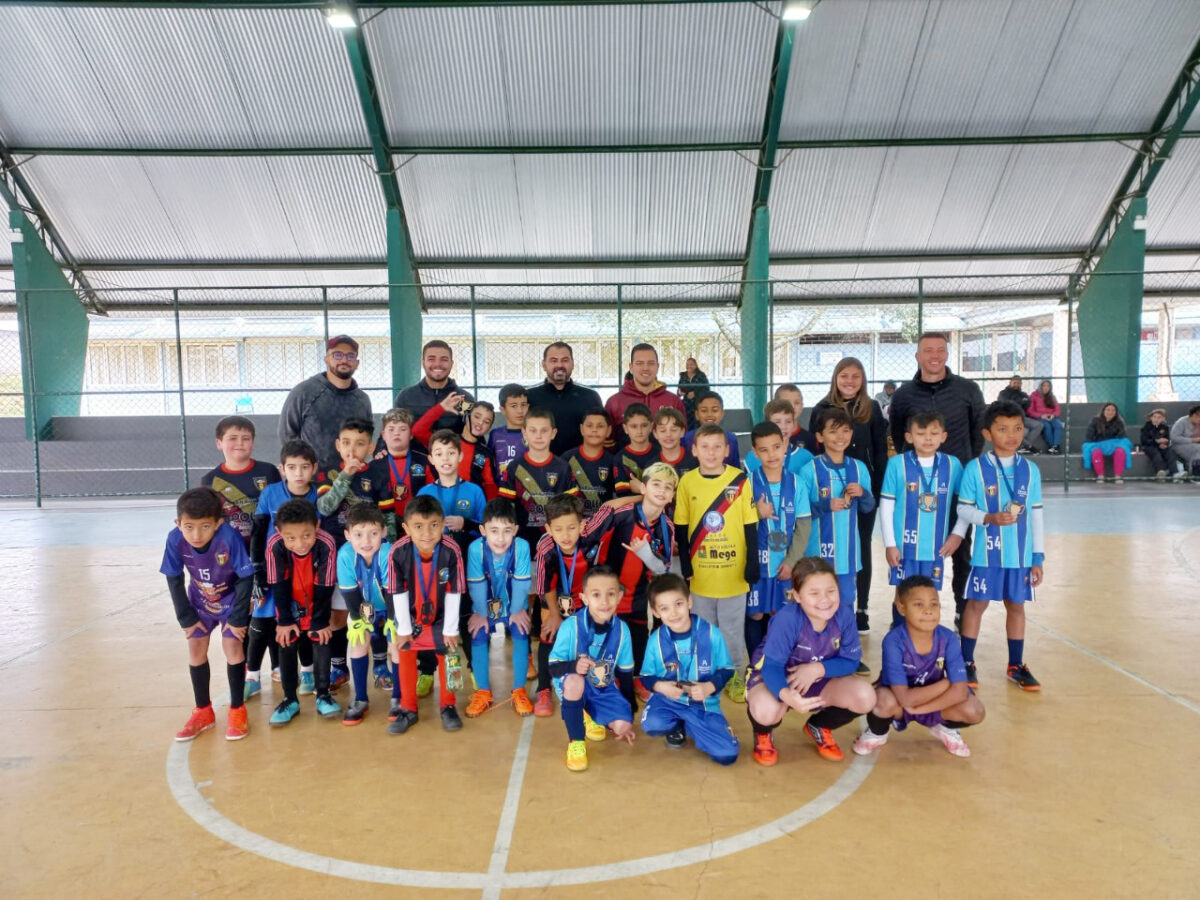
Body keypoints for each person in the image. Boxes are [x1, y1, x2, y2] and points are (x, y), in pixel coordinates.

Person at [888, 333, 986, 627]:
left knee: (961, 550)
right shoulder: (904, 394)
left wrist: (960, 468)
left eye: (940, 350)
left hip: (957, 485)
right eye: (927, 350)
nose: (934, 355)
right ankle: (906, 614)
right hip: (917, 489)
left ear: (947, 354)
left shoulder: (968, 389)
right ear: (917, 355)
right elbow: (897, 434)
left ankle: (960, 611)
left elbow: (977, 432)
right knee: (913, 553)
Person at [744, 558, 875, 765]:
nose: (825, 599)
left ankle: (819, 727)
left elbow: (851, 661)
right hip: (778, 678)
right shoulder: (787, 619)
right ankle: (763, 734)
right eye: (814, 593)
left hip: (819, 678)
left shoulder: (844, 615)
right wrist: (787, 695)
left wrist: (817, 669)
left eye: (831, 591)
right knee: (766, 711)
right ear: (797, 595)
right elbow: (772, 667)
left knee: (865, 697)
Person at [956, 400, 1045, 691]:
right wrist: (988, 517)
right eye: (1003, 429)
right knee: (977, 604)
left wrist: (1038, 557)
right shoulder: (975, 469)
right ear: (987, 434)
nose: (1012, 435)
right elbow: (964, 510)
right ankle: (966, 662)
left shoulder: (1031, 470)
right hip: (986, 555)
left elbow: (1037, 514)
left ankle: (1015, 665)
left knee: (1016, 605)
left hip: (1019, 557)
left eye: (1018, 428)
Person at [852, 575, 985, 759]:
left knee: (975, 710)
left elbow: (961, 692)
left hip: (926, 703)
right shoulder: (893, 641)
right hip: (899, 702)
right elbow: (904, 698)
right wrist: (946, 684)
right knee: (882, 702)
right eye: (918, 605)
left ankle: (943, 727)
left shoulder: (949, 639)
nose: (928, 611)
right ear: (902, 608)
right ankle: (877, 732)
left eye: (934, 604)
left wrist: (920, 710)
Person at [162, 487, 255, 742]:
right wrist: (186, 618)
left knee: (232, 646)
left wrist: (237, 618)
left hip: (231, 600)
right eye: (189, 526)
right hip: (200, 601)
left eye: (205, 526)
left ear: (218, 523)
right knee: (196, 647)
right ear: (178, 523)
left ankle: (237, 709)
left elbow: (246, 578)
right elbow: (174, 578)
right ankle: (203, 710)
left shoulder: (229, 538)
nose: (196, 534)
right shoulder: (174, 539)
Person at [675, 424, 759, 703]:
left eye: (717, 447)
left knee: (733, 630)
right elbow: (681, 526)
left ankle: (737, 675)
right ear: (695, 450)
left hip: (734, 575)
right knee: (705, 629)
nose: (711, 452)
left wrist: (752, 563)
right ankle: (708, 675)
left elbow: (750, 525)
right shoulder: (687, 482)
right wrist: (686, 566)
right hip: (701, 576)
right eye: (705, 447)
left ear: (727, 450)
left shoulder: (740, 479)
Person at [579, 462, 678, 699]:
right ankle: (602, 679)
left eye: (668, 487)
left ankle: (636, 680)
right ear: (643, 488)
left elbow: (663, 568)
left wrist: (644, 552)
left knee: (638, 637)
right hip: (606, 595)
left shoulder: (667, 527)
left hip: (638, 595)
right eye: (656, 484)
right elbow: (584, 542)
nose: (661, 490)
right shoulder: (618, 514)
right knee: (605, 640)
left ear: (673, 495)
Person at [793, 408, 875, 676]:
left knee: (846, 604)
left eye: (845, 430)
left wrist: (862, 494)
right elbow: (800, 511)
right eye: (832, 430)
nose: (840, 436)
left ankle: (849, 653)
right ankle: (809, 652)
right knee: (813, 604)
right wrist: (826, 505)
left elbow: (868, 506)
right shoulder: (809, 470)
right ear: (819, 435)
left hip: (848, 555)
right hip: (817, 555)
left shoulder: (858, 468)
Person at [810, 358, 888, 634]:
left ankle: (861, 608)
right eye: (844, 375)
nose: (850, 381)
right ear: (835, 378)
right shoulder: (822, 408)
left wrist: (873, 490)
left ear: (863, 379)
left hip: (861, 485)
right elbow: (813, 446)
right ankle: (822, 605)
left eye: (856, 376)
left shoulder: (872, 408)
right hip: (830, 487)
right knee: (828, 546)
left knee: (859, 545)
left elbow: (880, 449)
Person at [384, 495, 466, 735]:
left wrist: (450, 629)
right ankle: (408, 708)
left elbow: (455, 591)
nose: (427, 533)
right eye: (418, 526)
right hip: (411, 617)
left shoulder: (452, 551)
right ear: (406, 528)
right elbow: (396, 592)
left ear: (443, 525)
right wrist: (404, 629)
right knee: (406, 652)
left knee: (450, 653)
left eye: (434, 525)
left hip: (442, 618)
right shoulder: (398, 552)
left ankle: (448, 705)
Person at [247, 439, 321, 700]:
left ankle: (308, 672)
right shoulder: (270, 493)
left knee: (300, 622)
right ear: (282, 469)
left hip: (303, 572)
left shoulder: (319, 494)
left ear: (314, 468)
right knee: (261, 621)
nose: (298, 473)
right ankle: (252, 676)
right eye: (292, 467)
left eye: (304, 467)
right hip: (272, 570)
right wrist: (257, 571)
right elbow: (258, 532)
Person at [638, 573, 739, 764]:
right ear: (655, 612)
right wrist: (660, 687)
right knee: (651, 724)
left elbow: (726, 669)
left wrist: (709, 686)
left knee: (727, 755)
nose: (674, 613)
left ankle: (693, 726)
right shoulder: (655, 641)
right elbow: (646, 676)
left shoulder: (711, 634)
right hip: (669, 701)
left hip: (703, 704)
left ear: (689, 601)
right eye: (664, 608)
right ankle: (677, 725)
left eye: (678, 604)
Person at [880, 411, 967, 628]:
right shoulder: (897, 464)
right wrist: (890, 544)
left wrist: (958, 534)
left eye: (933, 433)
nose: (928, 439)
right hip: (903, 546)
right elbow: (886, 506)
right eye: (921, 433)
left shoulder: (952, 464)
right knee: (902, 591)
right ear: (909, 437)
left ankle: (924, 636)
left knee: (929, 593)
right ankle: (899, 634)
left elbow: (968, 503)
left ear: (943, 436)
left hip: (935, 547)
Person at [547, 565, 638, 772]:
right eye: (596, 595)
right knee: (575, 681)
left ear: (619, 596)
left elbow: (625, 673)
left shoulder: (622, 630)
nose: (604, 601)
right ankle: (576, 742)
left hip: (602, 686)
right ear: (584, 598)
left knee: (622, 726)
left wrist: (627, 710)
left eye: (611, 594)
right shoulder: (571, 626)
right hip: (570, 683)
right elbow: (553, 668)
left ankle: (590, 713)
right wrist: (574, 666)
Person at [315, 415, 380, 691]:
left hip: (370, 556)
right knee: (338, 615)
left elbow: (384, 515)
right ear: (338, 445)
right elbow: (326, 507)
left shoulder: (378, 472)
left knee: (375, 610)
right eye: (347, 443)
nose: (353, 450)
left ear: (371, 447)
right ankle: (339, 666)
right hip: (337, 558)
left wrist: (384, 549)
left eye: (360, 443)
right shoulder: (328, 472)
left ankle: (380, 664)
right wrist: (347, 474)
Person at [264, 498, 341, 725]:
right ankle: (290, 699)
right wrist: (285, 621)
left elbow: (325, 586)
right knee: (286, 640)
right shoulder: (274, 545)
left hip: (317, 599)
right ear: (279, 532)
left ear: (317, 526)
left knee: (322, 637)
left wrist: (319, 621)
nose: (300, 544)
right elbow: (278, 584)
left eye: (307, 535)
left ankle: (324, 695)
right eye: (291, 538)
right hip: (289, 601)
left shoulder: (326, 544)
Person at [532, 493, 606, 716]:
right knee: (548, 637)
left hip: (584, 600)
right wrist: (554, 615)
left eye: (571, 528)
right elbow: (546, 587)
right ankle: (544, 689)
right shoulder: (546, 549)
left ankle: (593, 682)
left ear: (582, 525)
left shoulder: (591, 540)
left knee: (590, 639)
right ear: (548, 528)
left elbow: (610, 508)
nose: (565, 535)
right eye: (559, 529)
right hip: (553, 599)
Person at [745, 422, 812, 659]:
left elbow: (804, 526)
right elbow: (740, 525)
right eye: (764, 450)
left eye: (776, 447)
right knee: (754, 614)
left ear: (785, 445)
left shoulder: (797, 483)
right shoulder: (747, 484)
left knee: (778, 613)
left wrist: (793, 561)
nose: (771, 454)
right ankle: (755, 664)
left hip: (785, 564)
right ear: (755, 453)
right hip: (756, 565)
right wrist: (756, 513)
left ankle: (775, 661)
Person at [464, 499, 535, 718]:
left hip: (515, 605)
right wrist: (481, 614)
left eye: (506, 531)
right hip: (484, 605)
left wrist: (516, 611)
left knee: (521, 632)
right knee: (477, 633)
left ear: (515, 530)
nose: (500, 538)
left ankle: (519, 690)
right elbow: (475, 584)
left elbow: (522, 582)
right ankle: (483, 691)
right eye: (494, 531)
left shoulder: (521, 546)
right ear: (483, 530)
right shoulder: (475, 549)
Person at [338, 505, 397, 725]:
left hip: (390, 604)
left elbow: (393, 592)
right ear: (347, 536)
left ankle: (399, 698)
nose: (366, 541)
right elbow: (350, 592)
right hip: (361, 607)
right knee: (359, 640)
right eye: (358, 534)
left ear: (383, 532)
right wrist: (358, 621)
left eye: (373, 533)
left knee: (396, 643)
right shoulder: (344, 555)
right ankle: (361, 699)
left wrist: (392, 619)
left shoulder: (388, 552)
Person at [278, 335, 372, 469]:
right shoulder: (303, 392)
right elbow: (287, 435)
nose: (344, 360)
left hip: (352, 477)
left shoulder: (363, 400)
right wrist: (302, 469)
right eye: (337, 355)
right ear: (326, 359)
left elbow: (366, 438)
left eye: (350, 356)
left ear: (357, 362)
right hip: (313, 481)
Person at [496, 407, 578, 549]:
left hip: (556, 542)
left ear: (553, 433)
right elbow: (506, 507)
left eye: (544, 430)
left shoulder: (563, 467)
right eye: (533, 430)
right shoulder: (514, 468)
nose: (539, 436)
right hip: (522, 541)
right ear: (524, 433)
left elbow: (572, 508)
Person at [200, 415, 280, 551]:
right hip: (231, 552)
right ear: (219, 443)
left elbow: (281, 507)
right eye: (232, 438)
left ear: (252, 443)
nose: (240, 443)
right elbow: (207, 522)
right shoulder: (209, 480)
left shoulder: (269, 471)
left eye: (246, 438)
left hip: (267, 549)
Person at [413, 394, 499, 499]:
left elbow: (490, 485)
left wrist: (492, 511)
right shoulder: (446, 440)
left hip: (468, 505)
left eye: (486, 422)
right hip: (438, 501)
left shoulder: (485, 453)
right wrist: (441, 408)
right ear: (466, 416)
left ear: (489, 428)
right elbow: (417, 431)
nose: (480, 423)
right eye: (477, 416)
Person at [526, 342, 604, 456]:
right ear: (544, 365)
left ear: (572, 363)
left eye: (565, 360)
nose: (559, 365)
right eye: (553, 360)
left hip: (581, 466)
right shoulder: (529, 397)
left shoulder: (590, 397)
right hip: (541, 466)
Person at [367, 407, 433, 542]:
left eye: (402, 429)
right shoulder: (374, 466)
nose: (396, 434)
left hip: (419, 525)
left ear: (411, 434)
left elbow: (432, 496)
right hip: (386, 528)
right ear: (383, 435)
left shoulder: (424, 462)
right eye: (391, 430)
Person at [394, 340, 474, 435]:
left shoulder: (463, 398)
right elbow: (392, 429)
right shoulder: (406, 397)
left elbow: (474, 436)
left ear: (451, 363)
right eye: (431, 359)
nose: (437, 364)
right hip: (415, 450)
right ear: (423, 363)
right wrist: (381, 449)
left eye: (444, 359)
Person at [561, 407, 631, 516]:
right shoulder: (566, 459)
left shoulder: (614, 461)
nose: (594, 430)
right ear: (581, 429)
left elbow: (620, 499)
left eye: (600, 426)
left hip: (603, 525)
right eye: (589, 425)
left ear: (609, 431)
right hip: (572, 525)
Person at [604, 343, 686, 435]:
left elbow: (681, 437)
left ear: (657, 367)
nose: (645, 368)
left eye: (651, 363)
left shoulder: (673, 401)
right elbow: (608, 441)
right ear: (631, 367)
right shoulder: (614, 402)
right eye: (639, 363)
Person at [744, 398, 815, 476]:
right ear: (768, 424)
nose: (783, 427)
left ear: (793, 423)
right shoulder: (752, 457)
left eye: (788, 421)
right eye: (777, 422)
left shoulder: (806, 457)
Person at [682, 391, 739, 467]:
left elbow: (735, 468)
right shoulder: (687, 439)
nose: (709, 414)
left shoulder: (731, 439)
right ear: (697, 414)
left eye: (715, 410)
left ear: (722, 413)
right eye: (704, 411)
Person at [1083, 402, 1132, 484]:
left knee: (1120, 451)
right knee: (1096, 452)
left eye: (1113, 410)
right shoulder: (1095, 421)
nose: (1110, 412)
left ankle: (1118, 476)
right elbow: (1089, 436)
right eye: (1108, 410)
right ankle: (1100, 475)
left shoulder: (1119, 422)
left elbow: (1122, 437)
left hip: (1114, 445)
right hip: (1097, 444)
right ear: (1103, 411)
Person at [489, 383, 529, 476]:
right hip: (502, 488)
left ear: (528, 407)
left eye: (523, 405)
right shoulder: (495, 435)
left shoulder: (534, 434)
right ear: (503, 409)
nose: (520, 411)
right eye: (514, 406)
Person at [996, 376, 1044, 454]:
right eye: (1014, 383)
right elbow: (1006, 404)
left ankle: (1023, 447)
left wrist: (1017, 402)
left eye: (1018, 383)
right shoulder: (1003, 393)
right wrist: (1020, 402)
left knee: (1039, 425)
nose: (1016, 385)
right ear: (1010, 383)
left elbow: (1028, 403)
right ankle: (1028, 446)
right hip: (1008, 417)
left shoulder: (1023, 394)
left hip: (1021, 417)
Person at [618, 403, 657, 484]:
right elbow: (622, 492)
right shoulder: (619, 458)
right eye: (634, 426)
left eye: (644, 425)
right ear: (625, 428)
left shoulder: (660, 454)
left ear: (651, 426)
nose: (639, 431)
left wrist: (639, 488)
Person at [652, 407, 696, 476]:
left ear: (682, 431)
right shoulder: (651, 466)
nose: (668, 434)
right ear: (655, 433)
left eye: (674, 430)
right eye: (663, 430)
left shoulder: (695, 461)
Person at [774, 383, 817, 454]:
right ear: (775, 405)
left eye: (797, 403)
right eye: (786, 402)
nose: (792, 406)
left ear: (802, 406)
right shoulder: (767, 436)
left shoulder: (810, 439)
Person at [1140, 408, 1179, 481]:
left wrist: (1165, 444)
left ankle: (1175, 473)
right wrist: (1156, 442)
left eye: (1159, 417)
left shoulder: (1165, 427)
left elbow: (1167, 439)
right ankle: (1160, 472)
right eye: (1154, 417)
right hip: (1149, 446)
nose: (1156, 419)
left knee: (1170, 453)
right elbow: (1144, 441)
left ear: (1163, 419)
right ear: (1151, 418)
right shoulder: (1146, 427)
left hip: (1160, 447)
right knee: (1156, 454)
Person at [1028, 380, 1063, 455]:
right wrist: (1041, 416)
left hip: (1051, 416)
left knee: (1058, 425)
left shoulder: (1052, 397)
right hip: (1040, 417)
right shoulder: (1034, 395)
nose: (1046, 388)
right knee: (1047, 426)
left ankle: (1056, 446)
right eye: (1044, 386)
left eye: (1048, 386)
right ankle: (1051, 447)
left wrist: (1053, 415)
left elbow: (1057, 409)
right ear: (1040, 386)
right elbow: (1030, 411)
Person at [677, 356, 710, 429]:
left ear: (696, 365)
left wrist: (695, 393)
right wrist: (680, 393)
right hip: (686, 402)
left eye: (691, 364)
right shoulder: (683, 376)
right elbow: (679, 388)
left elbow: (706, 389)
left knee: (697, 422)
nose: (689, 366)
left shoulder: (701, 375)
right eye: (687, 364)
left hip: (698, 401)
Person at [1170, 404, 1200, 478]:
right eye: (1198, 416)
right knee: (1198, 449)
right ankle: (1195, 473)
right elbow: (1174, 437)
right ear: (1193, 415)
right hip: (1179, 445)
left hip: (1195, 444)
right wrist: (1193, 440)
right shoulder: (1181, 422)